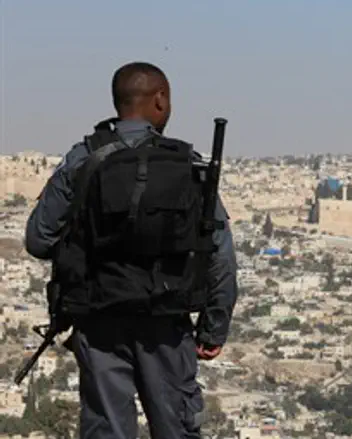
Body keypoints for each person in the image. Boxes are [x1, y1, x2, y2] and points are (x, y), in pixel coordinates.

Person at [25, 61, 238, 439]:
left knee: (106, 427)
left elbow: (39, 240)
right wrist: (213, 328)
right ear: (160, 100)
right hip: (167, 322)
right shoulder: (186, 164)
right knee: (177, 427)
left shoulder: (82, 160)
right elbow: (219, 253)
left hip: (98, 318)